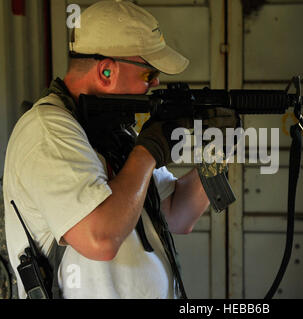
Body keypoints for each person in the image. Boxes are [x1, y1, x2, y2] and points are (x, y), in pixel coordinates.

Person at [3, 0, 237, 299]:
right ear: (106, 72)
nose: (155, 82)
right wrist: (149, 151)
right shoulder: (48, 131)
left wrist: (220, 149)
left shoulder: (116, 133)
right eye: (148, 74)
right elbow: (100, 239)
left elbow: (178, 214)